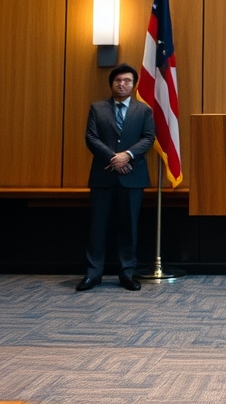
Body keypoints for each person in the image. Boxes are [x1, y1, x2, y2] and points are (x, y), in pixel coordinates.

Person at [77, 62, 155, 292]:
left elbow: (149, 138)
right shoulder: (97, 108)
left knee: (129, 227)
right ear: (111, 83)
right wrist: (115, 158)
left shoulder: (144, 110)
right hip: (103, 176)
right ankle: (93, 275)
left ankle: (127, 274)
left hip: (133, 178)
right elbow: (91, 138)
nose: (122, 84)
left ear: (134, 85)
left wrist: (127, 155)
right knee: (97, 227)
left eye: (127, 81)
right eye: (118, 80)